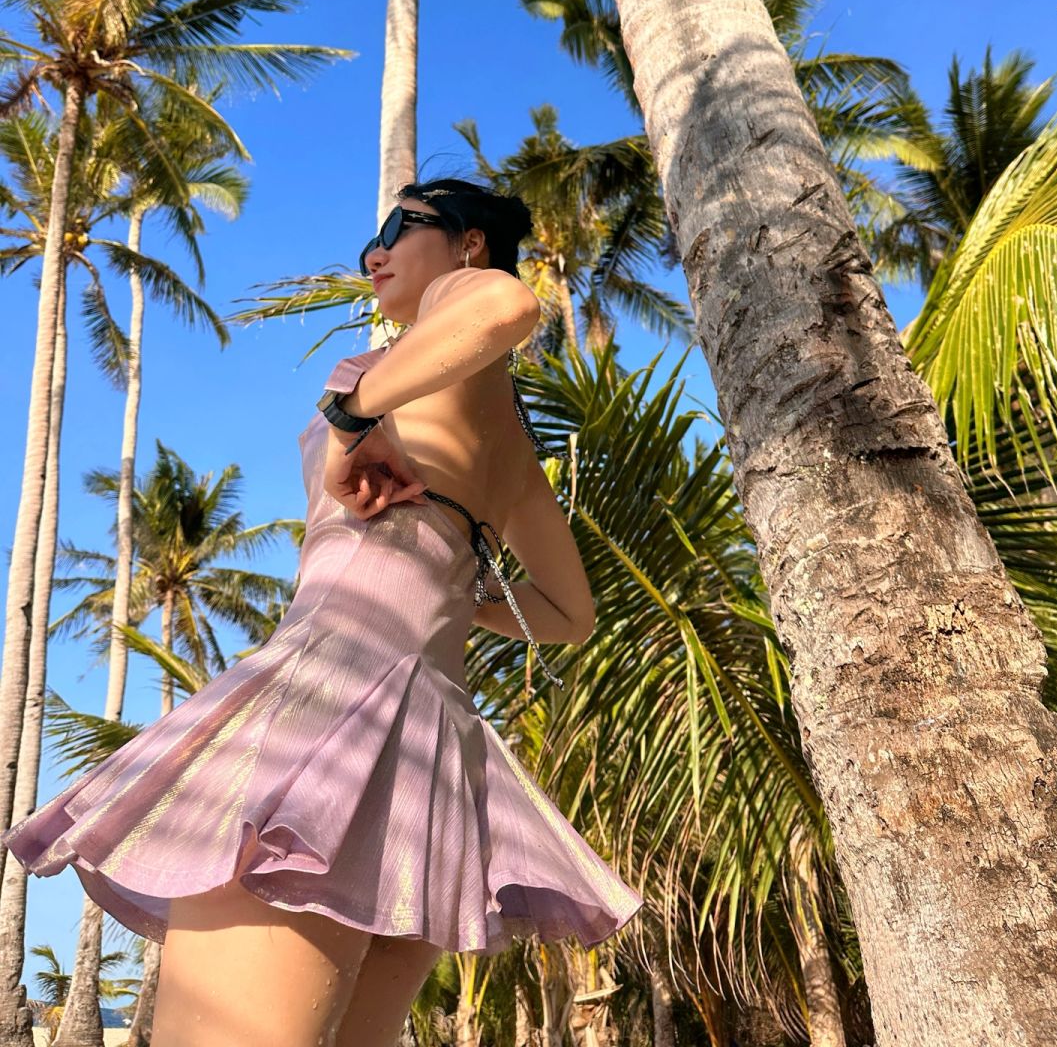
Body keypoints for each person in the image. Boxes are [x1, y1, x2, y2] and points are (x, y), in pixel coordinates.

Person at [3, 179, 644, 1047]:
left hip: (331, 707)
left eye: (395, 228)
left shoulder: (440, 321)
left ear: (468, 245)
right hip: (428, 756)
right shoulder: (508, 440)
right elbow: (569, 612)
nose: (372, 254)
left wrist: (353, 412)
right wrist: (456, 586)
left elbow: (507, 302)